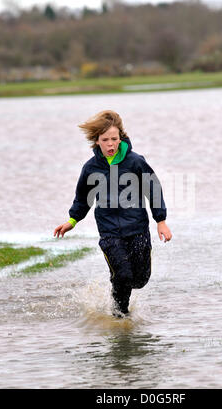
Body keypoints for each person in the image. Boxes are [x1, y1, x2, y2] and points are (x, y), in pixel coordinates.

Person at [54, 110, 172, 317]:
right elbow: (83, 198)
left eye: (114, 139)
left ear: (121, 139)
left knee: (140, 280)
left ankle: (118, 296)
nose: (110, 144)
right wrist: (72, 220)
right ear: (97, 141)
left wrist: (160, 220)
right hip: (110, 233)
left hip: (137, 229)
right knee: (123, 275)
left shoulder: (135, 162)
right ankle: (120, 316)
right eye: (105, 140)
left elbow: (152, 188)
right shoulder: (91, 168)